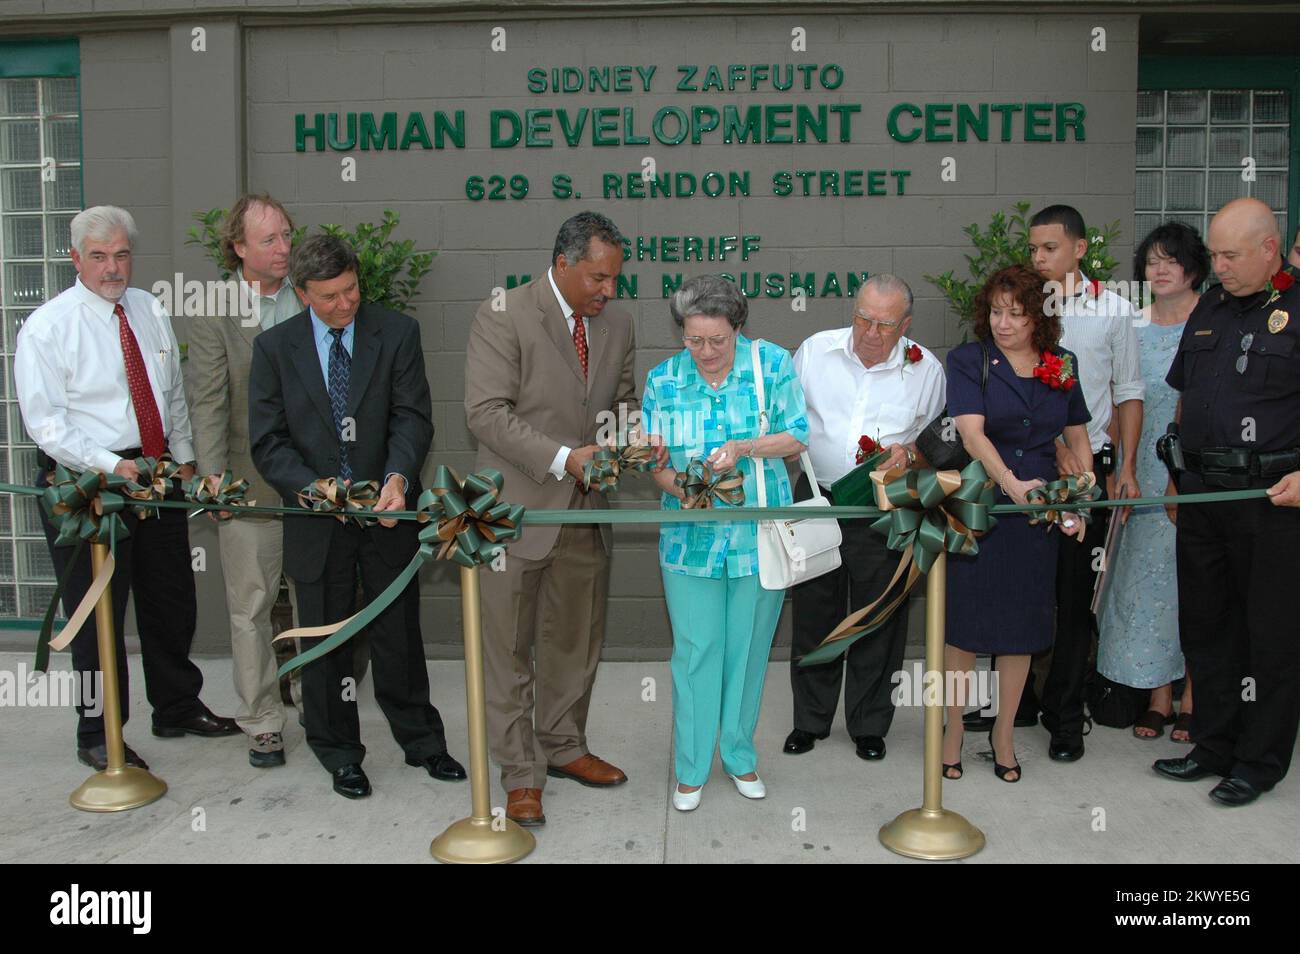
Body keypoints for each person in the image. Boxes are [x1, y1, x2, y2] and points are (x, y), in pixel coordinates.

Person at [15, 205, 239, 771]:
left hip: (157, 474)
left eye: (121, 254)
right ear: (75, 259)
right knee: (97, 615)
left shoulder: (148, 308)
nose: (113, 268)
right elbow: (45, 424)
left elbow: (169, 395)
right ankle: (98, 733)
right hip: (86, 483)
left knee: (170, 600)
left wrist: (184, 460)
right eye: (99, 256)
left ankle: (177, 706)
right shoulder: (47, 326)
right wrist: (111, 464)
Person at [465, 212, 664, 828]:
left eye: (615, 279)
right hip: (515, 512)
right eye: (599, 278)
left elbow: (620, 402)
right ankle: (521, 776)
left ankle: (565, 747)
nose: (610, 291)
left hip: (585, 514)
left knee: (574, 643)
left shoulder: (619, 324)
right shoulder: (502, 313)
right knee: (509, 648)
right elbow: (485, 413)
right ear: (563, 265)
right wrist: (561, 459)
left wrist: (635, 435)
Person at [248, 233, 464, 798]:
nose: (346, 305)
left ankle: (422, 741)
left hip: (389, 513)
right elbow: (267, 443)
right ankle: (339, 750)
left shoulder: (396, 332)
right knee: (327, 639)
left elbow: (412, 417)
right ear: (301, 294)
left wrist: (398, 478)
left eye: (351, 290)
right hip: (319, 523)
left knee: (399, 634)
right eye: (330, 297)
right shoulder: (274, 349)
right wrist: (312, 488)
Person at [642, 274, 809, 811]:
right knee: (695, 652)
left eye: (718, 340)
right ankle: (690, 768)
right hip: (690, 540)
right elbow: (657, 466)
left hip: (760, 537)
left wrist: (744, 447)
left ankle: (738, 755)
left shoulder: (772, 365)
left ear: (739, 329)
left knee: (749, 650)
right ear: (681, 333)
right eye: (695, 340)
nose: (707, 352)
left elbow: (798, 433)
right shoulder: (663, 381)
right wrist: (688, 492)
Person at [1155, 197, 1300, 806]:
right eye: (1214, 254)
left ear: (1270, 249)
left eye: (1231, 255)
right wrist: (1173, 477)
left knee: (1269, 635)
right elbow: (1187, 397)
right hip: (1203, 493)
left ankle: (1259, 761)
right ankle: (1212, 744)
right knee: (1207, 626)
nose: (1219, 266)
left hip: (1272, 499)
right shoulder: (1211, 305)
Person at [785, 275, 944, 761]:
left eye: (885, 324)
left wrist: (910, 455)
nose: (871, 332)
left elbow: (932, 439)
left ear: (906, 325)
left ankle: (869, 724)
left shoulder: (926, 370)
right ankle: (810, 722)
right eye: (862, 318)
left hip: (884, 507)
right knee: (813, 612)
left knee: (880, 617)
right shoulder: (814, 351)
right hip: (817, 497)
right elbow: (788, 419)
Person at [943, 265, 1092, 782]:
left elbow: (1076, 435)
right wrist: (1011, 483)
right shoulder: (969, 360)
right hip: (982, 507)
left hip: (1040, 518)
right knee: (962, 628)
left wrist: (1080, 495)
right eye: (995, 311)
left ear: (1041, 318)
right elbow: (972, 435)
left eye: (1016, 314)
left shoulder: (1062, 363)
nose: (1002, 323)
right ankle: (954, 731)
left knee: (1021, 631)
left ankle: (1004, 735)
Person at [1021, 204, 1144, 762]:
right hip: (1026, 469)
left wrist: (1127, 467)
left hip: (1085, 475)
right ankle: (1017, 699)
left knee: (1074, 598)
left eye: (1049, 248)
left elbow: (1128, 392)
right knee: (1022, 590)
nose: (1039, 258)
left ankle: (1065, 717)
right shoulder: (1021, 308)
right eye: (1033, 249)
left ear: (1080, 247)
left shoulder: (1115, 310)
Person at [187, 193, 299, 768]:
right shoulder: (216, 312)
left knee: (315, 599)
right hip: (249, 487)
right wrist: (214, 485)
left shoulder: (310, 296)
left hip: (313, 488)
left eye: (286, 236)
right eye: (269, 240)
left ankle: (317, 697)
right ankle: (262, 720)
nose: (283, 249)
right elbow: (207, 403)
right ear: (238, 248)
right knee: (252, 606)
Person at [1098, 223, 1207, 742]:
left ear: (1194, 268)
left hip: (1196, 473)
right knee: (1146, 587)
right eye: (1152, 262)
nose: (1160, 271)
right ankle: (1158, 697)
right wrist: (1124, 468)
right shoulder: (1131, 327)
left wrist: (1183, 478)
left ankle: (1195, 698)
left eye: (1172, 260)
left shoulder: (1213, 324)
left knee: (1198, 586)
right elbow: (1120, 402)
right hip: (1138, 473)